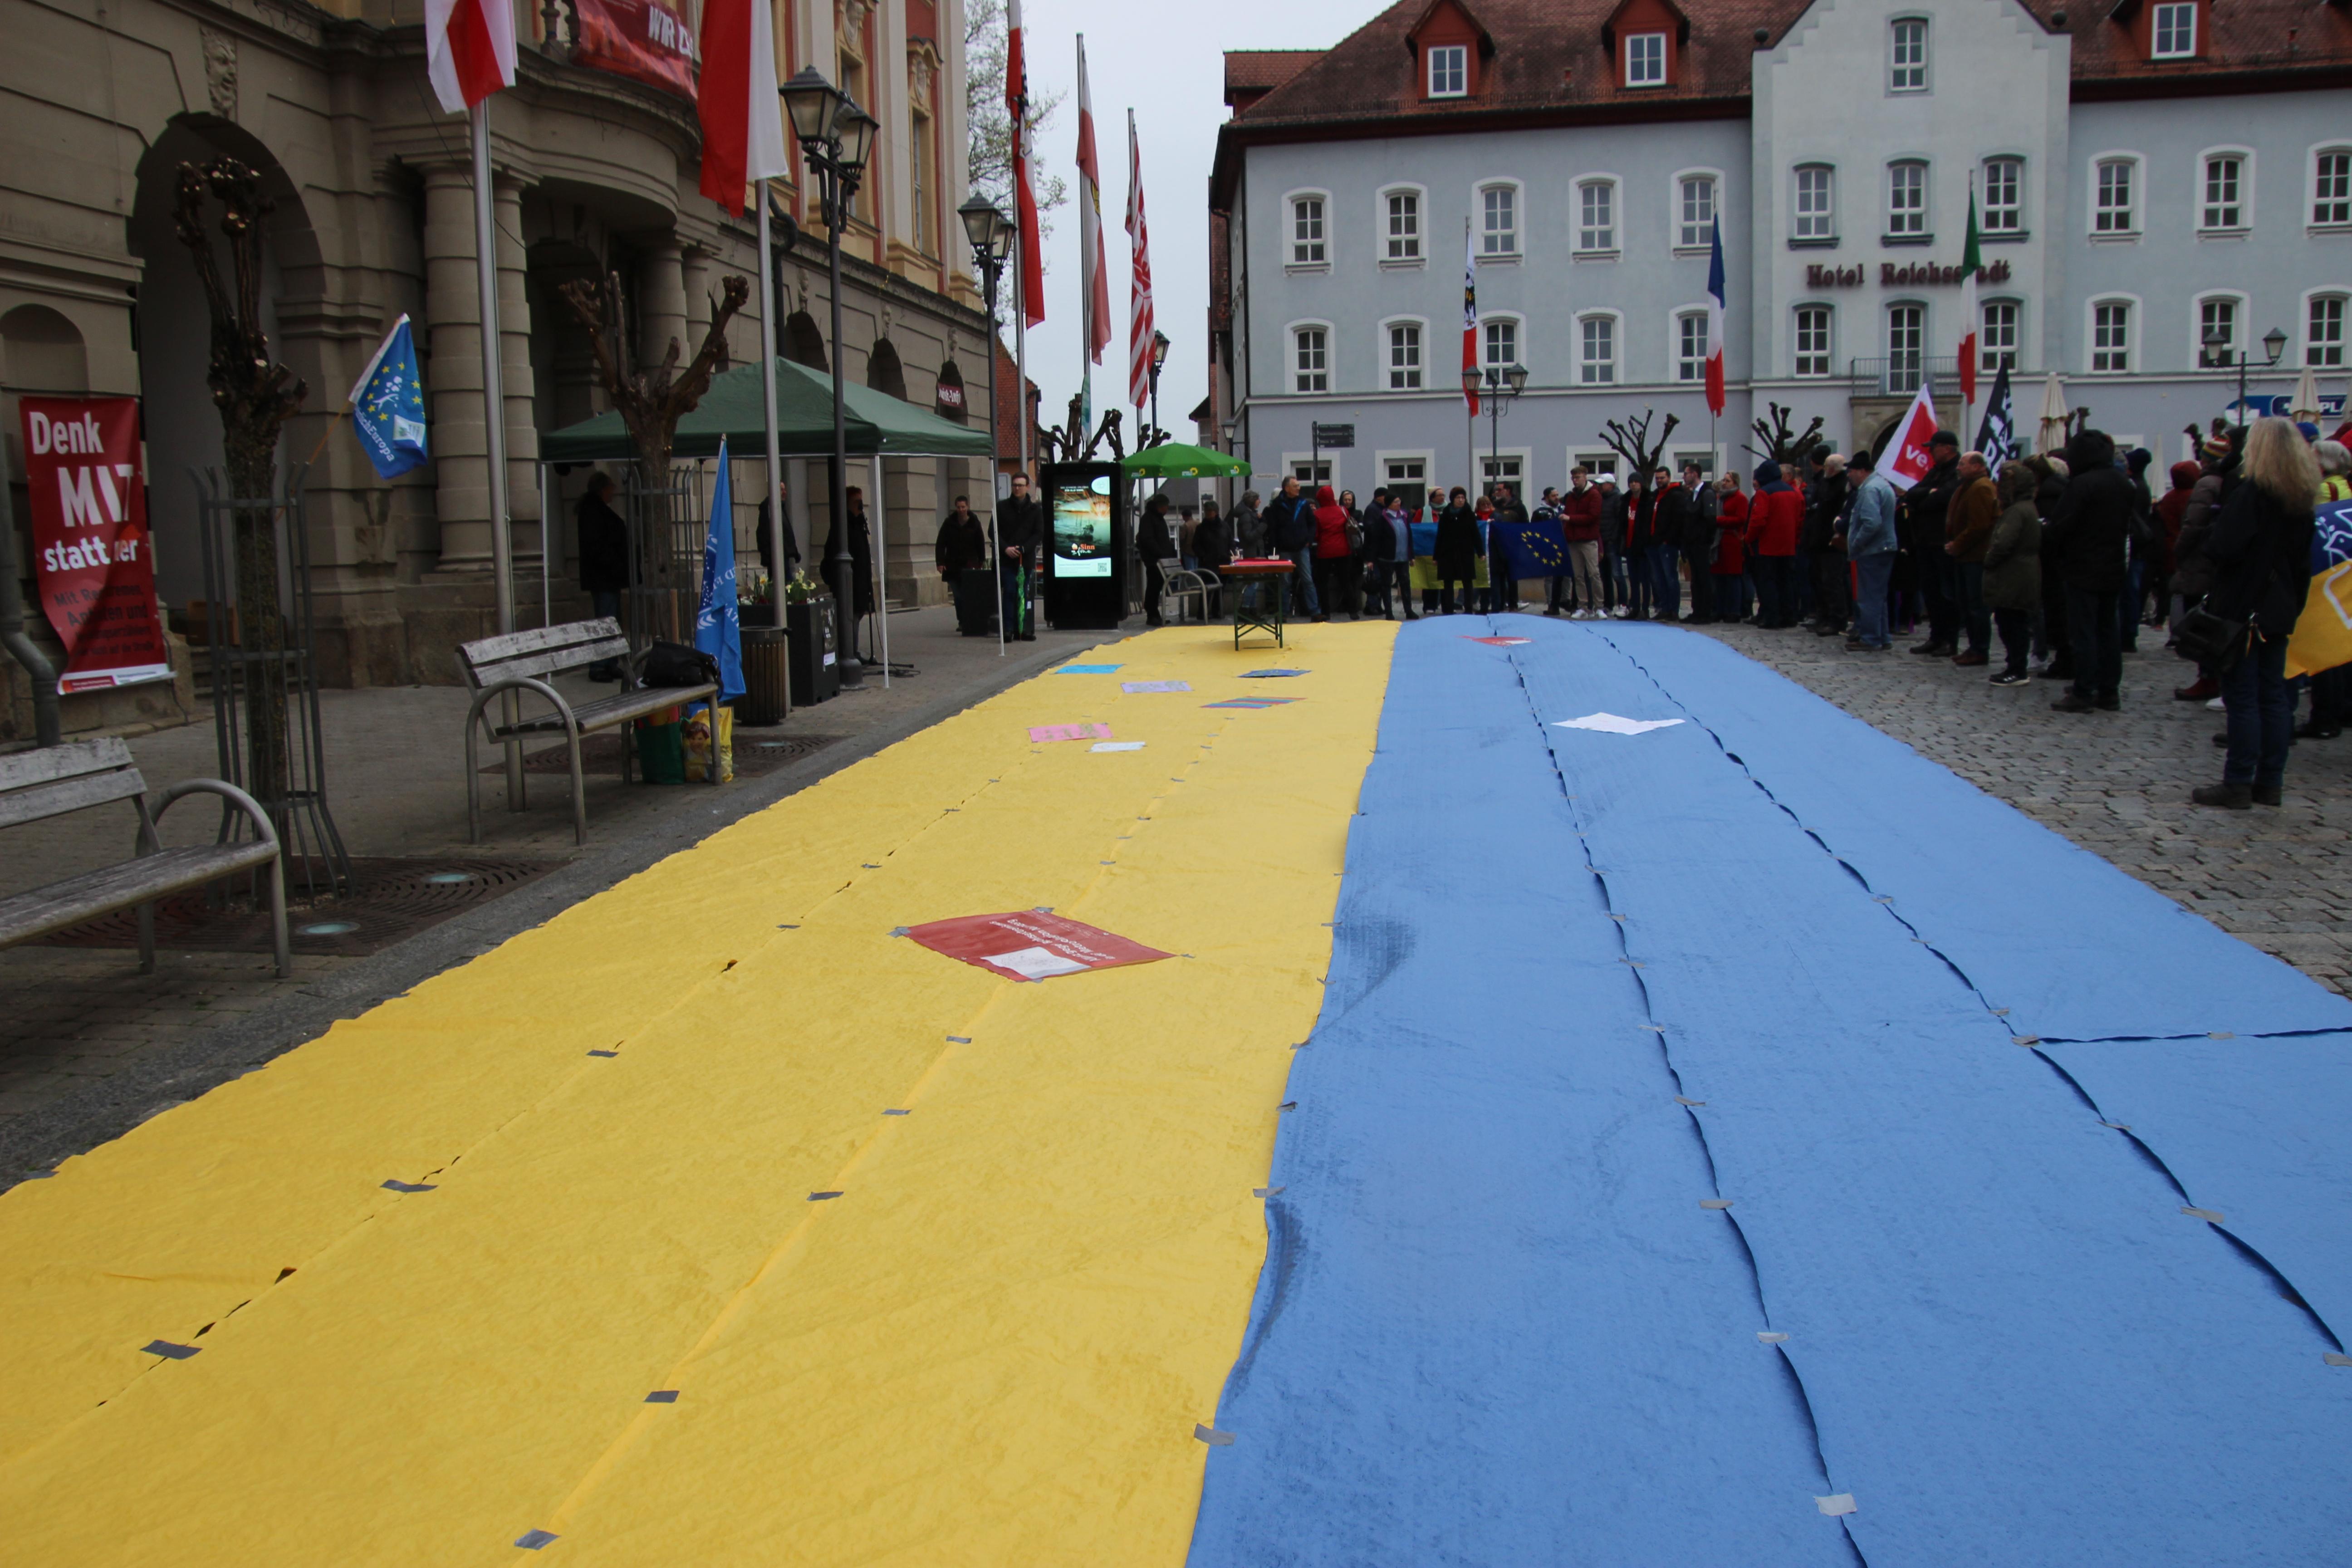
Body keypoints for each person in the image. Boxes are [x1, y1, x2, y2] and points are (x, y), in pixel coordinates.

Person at [2194, 418, 2322, 808]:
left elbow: (2224, 547)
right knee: (2275, 697)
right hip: (2279, 606)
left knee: (2244, 696)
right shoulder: (2301, 497)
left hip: (2245, 606)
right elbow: (2303, 563)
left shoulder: (2253, 493)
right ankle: (2270, 781)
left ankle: (2238, 781)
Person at [2041, 430, 2134, 713]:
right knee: (2108, 630)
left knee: (2084, 632)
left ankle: (2084, 689)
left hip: (2082, 566)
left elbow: (2062, 524)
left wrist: (2049, 538)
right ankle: (2109, 690)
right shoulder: (2122, 482)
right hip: (2113, 564)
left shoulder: (2083, 484)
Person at [1901, 429, 1964, 656]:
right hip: (1926, 540)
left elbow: (1944, 498)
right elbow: (1911, 495)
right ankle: (1936, 637)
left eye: (1934, 447)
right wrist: (1928, 494)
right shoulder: (1936, 471)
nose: (1930, 452)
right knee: (1931, 592)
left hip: (1943, 540)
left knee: (1947, 594)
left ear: (1947, 448)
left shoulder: (1957, 472)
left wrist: (1925, 498)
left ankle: (1949, 639)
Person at [1982, 461, 2043, 687]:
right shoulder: (2025, 507)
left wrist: (1989, 560)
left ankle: (2017, 669)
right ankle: (2015, 666)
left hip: (2014, 574)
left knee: (2013, 624)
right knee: (2012, 622)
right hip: (2019, 572)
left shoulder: (2017, 511)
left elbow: (2003, 543)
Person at [1840, 448, 1899, 652]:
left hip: (1873, 550)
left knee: (1869, 597)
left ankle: (1871, 638)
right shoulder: (1882, 485)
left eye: (1852, 471)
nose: (1849, 475)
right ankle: (1882, 636)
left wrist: (1856, 543)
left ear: (1862, 471)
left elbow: (1871, 523)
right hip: (1883, 547)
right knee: (1878, 596)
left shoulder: (1869, 489)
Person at [1944, 450, 1998, 666]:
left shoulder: (1981, 487)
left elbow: (1979, 525)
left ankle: (1980, 648)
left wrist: (1958, 544)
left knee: (1976, 605)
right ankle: (1974, 647)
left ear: (1977, 466)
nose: (1959, 467)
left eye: (1963, 464)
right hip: (1966, 555)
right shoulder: (1969, 486)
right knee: (1967, 603)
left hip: (1974, 556)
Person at [576, 471, 629, 680]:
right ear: (602, 489)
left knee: (612, 620)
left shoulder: (595, 510)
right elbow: (596, 547)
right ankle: (599, 664)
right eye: (611, 489)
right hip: (604, 576)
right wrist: (613, 562)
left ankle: (610, 661)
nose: (613, 494)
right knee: (605, 621)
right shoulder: (593, 512)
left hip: (608, 576)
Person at [1747, 461, 1804, 627]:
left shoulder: (1764, 493)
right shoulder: (1793, 492)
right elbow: (1799, 519)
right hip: (1788, 545)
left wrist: (1749, 538)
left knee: (1768, 583)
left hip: (1768, 545)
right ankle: (1789, 616)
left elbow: (1758, 520)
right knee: (1786, 582)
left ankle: (1772, 618)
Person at [1668, 461, 1720, 624]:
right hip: (1691, 544)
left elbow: (1710, 520)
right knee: (1695, 580)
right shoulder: (1692, 495)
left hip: (1701, 544)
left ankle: (1705, 612)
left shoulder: (1707, 493)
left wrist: (1706, 540)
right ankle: (1697, 610)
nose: (1684, 477)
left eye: (1686, 473)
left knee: (1704, 578)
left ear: (1695, 474)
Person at [1803, 453, 1850, 635]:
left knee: (1833, 582)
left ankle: (1837, 619)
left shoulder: (1842, 486)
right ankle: (1822, 616)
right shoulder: (1824, 483)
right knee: (1818, 581)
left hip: (1832, 541)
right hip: (1818, 539)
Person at [1264, 475, 1321, 619]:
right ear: (1287, 488)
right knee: (1285, 581)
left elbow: (1312, 523)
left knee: (1308, 579)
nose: (1299, 488)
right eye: (1295, 486)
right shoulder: (1277, 505)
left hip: (1302, 547)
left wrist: (1309, 539)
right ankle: (1283, 612)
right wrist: (1274, 548)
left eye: (1298, 486)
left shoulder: (1303, 503)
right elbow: (1273, 528)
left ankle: (1315, 611)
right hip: (1285, 549)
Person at [995, 470, 1043, 639]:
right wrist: (1006, 548)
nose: (1017, 489)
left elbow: (1038, 533)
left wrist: (1024, 548)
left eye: (1021, 486)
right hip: (1008, 559)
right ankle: (1009, 629)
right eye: (1015, 485)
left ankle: (1023, 629)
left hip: (1026, 559)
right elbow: (993, 532)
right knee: (1009, 592)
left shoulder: (1035, 510)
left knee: (1023, 593)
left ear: (1027, 487)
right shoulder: (1002, 507)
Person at [1557, 467, 1604, 617]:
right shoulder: (1571, 497)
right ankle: (1583, 606)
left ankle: (1599, 606)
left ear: (1585, 478)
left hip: (1589, 540)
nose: (1575, 480)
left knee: (1594, 574)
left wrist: (1571, 519)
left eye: (1578, 477)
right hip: (1574, 540)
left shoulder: (1594, 495)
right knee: (1578, 576)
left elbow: (1593, 517)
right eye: (1573, 478)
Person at [1311, 484, 1357, 622]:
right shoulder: (1343, 510)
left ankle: (1326, 612)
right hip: (1343, 549)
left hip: (1325, 551)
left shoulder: (1317, 514)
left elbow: (1316, 535)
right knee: (1346, 581)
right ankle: (1353, 611)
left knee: (1323, 583)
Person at [1434, 485, 1481, 614]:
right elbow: (1440, 536)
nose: (1461, 500)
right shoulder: (1446, 515)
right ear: (1453, 500)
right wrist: (1436, 556)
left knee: (1467, 581)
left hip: (1465, 552)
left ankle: (1469, 608)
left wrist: (1481, 551)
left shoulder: (1470, 515)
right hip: (1448, 553)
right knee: (1448, 582)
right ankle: (1448, 609)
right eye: (1458, 498)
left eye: (1463, 498)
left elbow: (1475, 534)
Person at [1711, 470, 1749, 622]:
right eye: (1724, 480)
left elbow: (1741, 519)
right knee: (1719, 578)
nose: (1724, 483)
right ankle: (1719, 609)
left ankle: (1734, 611)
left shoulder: (1740, 498)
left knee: (1733, 578)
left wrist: (1719, 520)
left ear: (1735, 482)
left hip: (1732, 540)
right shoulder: (1721, 497)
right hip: (1720, 540)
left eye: (1728, 481)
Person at [1139, 492, 1177, 627]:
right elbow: (1148, 539)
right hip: (1154, 561)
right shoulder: (1149, 519)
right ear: (1160, 507)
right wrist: (1160, 553)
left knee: (1157, 587)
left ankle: (1155, 615)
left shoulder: (1157, 519)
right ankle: (1152, 614)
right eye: (1166, 506)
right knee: (1153, 587)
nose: (1167, 509)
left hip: (1161, 560)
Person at [1487, 483, 1527, 612]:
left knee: (1512, 576)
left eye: (1499, 490)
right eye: (1495, 491)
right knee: (1498, 576)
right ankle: (1499, 604)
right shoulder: (1494, 507)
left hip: (1513, 546)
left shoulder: (1518, 507)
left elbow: (1525, 526)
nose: (1496, 493)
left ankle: (1513, 604)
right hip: (1496, 547)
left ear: (1508, 491)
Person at [934, 494, 987, 581]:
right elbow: (941, 543)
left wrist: (982, 560)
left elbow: (980, 542)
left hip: (970, 563)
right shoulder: (949, 523)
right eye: (959, 507)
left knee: (967, 590)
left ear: (967, 507)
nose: (961, 510)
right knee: (957, 592)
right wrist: (940, 563)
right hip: (952, 564)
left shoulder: (975, 523)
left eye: (963, 507)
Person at [1232, 490, 1266, 557]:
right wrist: (1262, 526)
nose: (1260, 501)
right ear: (1252, 501)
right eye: (1258, 499)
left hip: (1254, 552)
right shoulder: (1246, 517)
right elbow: (1249, 537)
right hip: (1252, 554)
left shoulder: (1251, 514)